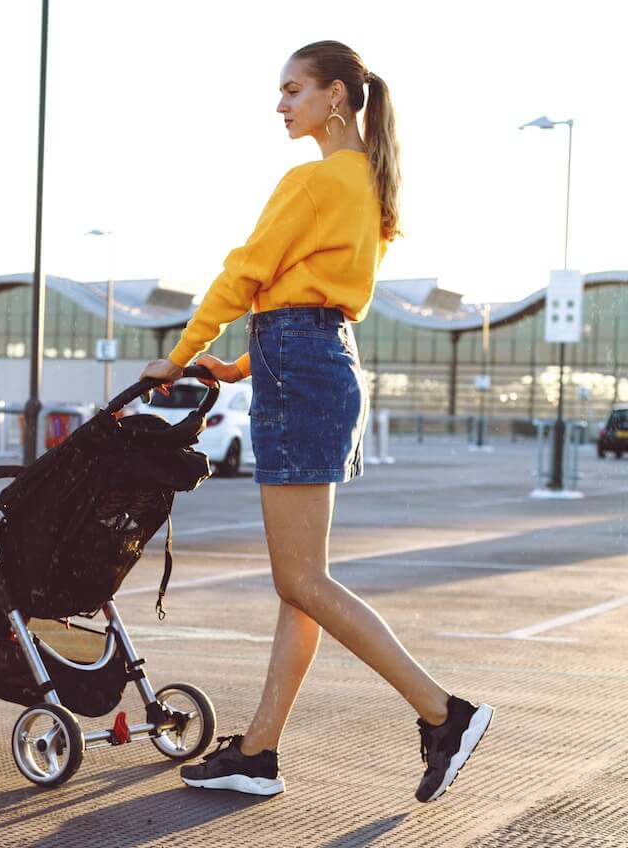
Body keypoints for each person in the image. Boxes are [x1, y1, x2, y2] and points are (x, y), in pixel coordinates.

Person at [139, 40, 494, 802]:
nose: (280, 105)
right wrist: (239, 366)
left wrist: (180, 354)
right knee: (301, 584)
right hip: (314, 360)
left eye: (292, 89)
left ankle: (445, 713)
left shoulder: (316, 178)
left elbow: (247, 273)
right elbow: (308, 295)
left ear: (337, 95)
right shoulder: (367, 185)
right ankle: (259, 752)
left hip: (302, 365)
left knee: (300, 578)